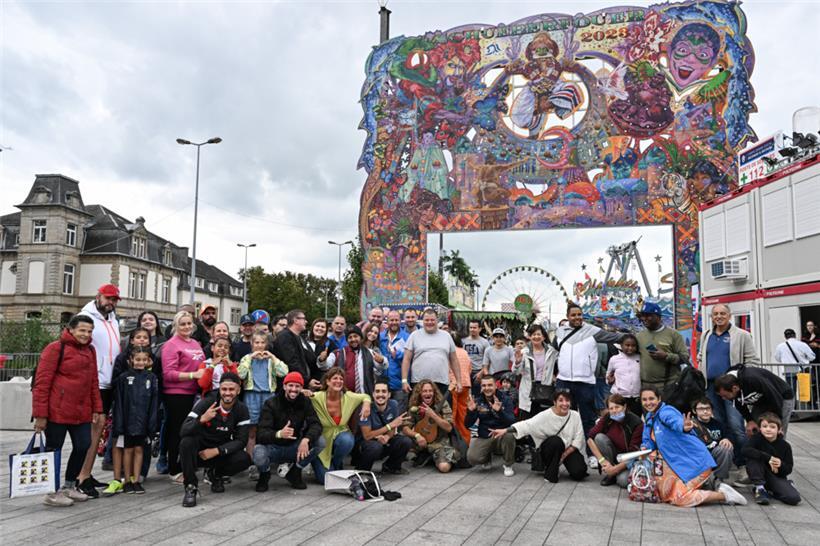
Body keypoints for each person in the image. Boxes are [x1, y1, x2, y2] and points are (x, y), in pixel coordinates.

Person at [32, 314, 102, 506]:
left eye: (89, 331)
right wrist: (40, 415)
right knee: (54, 450)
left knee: (83, 445)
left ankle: (69, 486)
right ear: (71, 329)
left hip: (81, 411)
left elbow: (93, 382)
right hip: (57, 410)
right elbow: (42, 382)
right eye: (82, 330)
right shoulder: (55, 348)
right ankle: (51, 492)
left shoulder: (90, 351)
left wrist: (97, 407)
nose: (86, 334)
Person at [639, 386, 747, 507]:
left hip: (694, 462)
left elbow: (675, 421)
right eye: (644, 400)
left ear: (659, 399)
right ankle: (712, 485)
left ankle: (724, 495)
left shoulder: (666, 412)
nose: (648, 403)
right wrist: (644, 447)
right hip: (677, 463)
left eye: (651, 398)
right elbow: (648, 441)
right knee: (665, 494)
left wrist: (683, 426)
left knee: (680, 498)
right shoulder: (649, 417)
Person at [552, 304, 622, 453]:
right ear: (567, 316)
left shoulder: (592, 331)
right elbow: (552, 353)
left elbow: (614, 337)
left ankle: (591, 453)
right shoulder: (559, 332)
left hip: (585, 382)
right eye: (573, 315)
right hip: (564, 380)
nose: (577, 317)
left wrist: (631, 337)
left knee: (588, 419)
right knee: (564, 418)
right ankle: (567, 451)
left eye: (579, 314)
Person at [698, 304, 758, 473]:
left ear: (729, 315)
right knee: (719, 424)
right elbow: (701, 357)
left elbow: (752, 361)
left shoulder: (742, 335)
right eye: (715, 314)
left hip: (732, 390)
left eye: (722, 313)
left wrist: (737, 379)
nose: (719, 316)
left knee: (736, 425)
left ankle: (746, 464)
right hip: (710, 387)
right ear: (711, 317)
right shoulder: (706, 335)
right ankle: (729, 458)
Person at [76, 283, 122, 497]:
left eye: (114, 300)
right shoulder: (87, 317)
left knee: (99, 430)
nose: (110, 303)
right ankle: (81, 476)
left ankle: (86, 473)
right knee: (94, 429)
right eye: (108, 298)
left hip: (109, 380)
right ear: (99, 296)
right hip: (95, 382)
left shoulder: (113, 318)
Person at [179, 373, 252, 507]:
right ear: (219, 389)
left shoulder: (242, 409)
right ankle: (190, 486)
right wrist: (201, 419)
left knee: (244, 459)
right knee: (186, 442)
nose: (227, 393)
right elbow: (183, 430)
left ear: (238, 390)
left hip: (219, 451)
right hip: (200, 451)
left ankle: (215, 474)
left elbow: (241, 441)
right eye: (224, 389)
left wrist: (217, 451)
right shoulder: (207, 402)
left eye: (231, 389)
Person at [492, 390, 587, 483]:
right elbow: (527, 424)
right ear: (554, 402)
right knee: (556, 441)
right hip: (550, 448)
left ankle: (562, 463)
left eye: (567, 400)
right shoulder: (546, 415)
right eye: (561, 400)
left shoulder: (575, 415)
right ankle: (551, 473)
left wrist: (563, 456)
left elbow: (579, 438)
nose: (565, 404)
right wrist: (505, 430)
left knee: (579, 472)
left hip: (568, 449)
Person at [253, 371, 324, 491]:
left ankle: (295, 472)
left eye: (297, 386)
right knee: (258, 452)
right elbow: (261, 434)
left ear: (302, 388)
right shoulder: (271, 403)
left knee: (320, 442)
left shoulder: (305, 402)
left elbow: (316, 424)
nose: (294, 389)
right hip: (273, 447)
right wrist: (279, 434)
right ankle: (264, 475)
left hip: (294, 447)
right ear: (284, 386)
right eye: (290, 385)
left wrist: (306, 440)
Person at [104, 346, 158, 495]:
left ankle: (136, 480)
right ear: (131, 360)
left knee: (139, 450)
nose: (141, 362)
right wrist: (119, 424)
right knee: (127, 450)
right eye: (137, 359)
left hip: (144, 422)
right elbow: (119, 403)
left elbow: (154, 402)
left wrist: (152, 424)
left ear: (148, 361)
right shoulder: (123, 378)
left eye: (144, 360)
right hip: (127, 422)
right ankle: (126, 480)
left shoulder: (151, 378)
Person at [161, 311, 206, 484]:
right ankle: (173, 469)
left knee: (191, 432)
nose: (187, 327)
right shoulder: (171, 345)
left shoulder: (194, 342)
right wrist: (193, 375)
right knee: (177, 432)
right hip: (176, 394)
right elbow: (168, 374)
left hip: (194, 394)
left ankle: (186, 464)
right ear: (176, 326)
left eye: (189, 324)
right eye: (183, 324)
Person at [238, 332, 288, 479]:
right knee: (252, 431)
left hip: (269, 396)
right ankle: (250, 463)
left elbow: (284, 372)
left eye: (262, 343)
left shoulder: (271, 360)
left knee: (269, 428)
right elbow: (240, 374)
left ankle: (269, 460)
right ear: (252, 344)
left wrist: (272, 357)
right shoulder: (247, 358)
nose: (259, 346)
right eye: (256, 343)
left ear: (266, 344)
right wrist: (249, 358)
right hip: (252, 395)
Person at [308, 367, 371, 484]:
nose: (338, 381)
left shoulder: (348, 396)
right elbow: (302, 396)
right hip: (321, 440)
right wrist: (304, 391)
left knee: (347, 441)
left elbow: (366, 396)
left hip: (340, 434)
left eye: (341, 379)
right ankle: (318, 461)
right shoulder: (317, 397)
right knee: (325, 480)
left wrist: (366, 405)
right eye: (335, 378)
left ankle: (337, 463)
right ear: (327, 381)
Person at [714, 365, 795, 436]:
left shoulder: (752, 379)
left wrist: (778, 422)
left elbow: (775, 397)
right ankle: (758, 451)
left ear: (735, 388)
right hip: (761, 400)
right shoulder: (728, 385)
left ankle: (779, 451)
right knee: (754, 429)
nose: (723, 398)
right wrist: (749, 420)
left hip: (781, 396)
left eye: (725, 396)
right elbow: (740, 404)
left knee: (776, 431)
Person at [401, 308, 463, 398]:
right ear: (422, 321)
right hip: (419, 383)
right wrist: (404, 380)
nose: (429, 322)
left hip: (441, 382)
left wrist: (459, 381)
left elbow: (454, 359)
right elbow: (406, 359)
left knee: (441, 411)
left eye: (432, 320)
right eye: (427, 320)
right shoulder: (414, 335)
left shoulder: (446, 336)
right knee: (418, 411)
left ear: (437, 320)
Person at [742, 412, 801, 506]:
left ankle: (774, 489)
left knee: (794, 498)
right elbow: (745, 450)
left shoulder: (785, 446)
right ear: (760, 428)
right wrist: (769, 458)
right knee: (753, 457)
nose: (768, 429)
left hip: (775, 476)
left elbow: (788, 468)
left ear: (779, 430)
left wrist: (780, 464)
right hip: (759, 472)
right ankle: (760, 488)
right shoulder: (756, 439)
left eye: (772, 427)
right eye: (765, 426)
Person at [355, 379, 412, 474]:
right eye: (377, 391)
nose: (380, 394)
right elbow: (367, 436)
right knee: (375, 447)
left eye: (384, 391)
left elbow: (393, 429)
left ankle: (391, 467)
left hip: (383, 441)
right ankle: (363, 471)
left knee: (405, 441)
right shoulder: (366, 408)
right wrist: (389, 426)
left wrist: (387, 436)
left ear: (389, 395)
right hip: (367, 444)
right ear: (373, 394)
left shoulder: (393, 404)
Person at [586, 394, 643, 487]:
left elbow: (634, 454)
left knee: (623, 481)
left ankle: (614, 472)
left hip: (628, 460)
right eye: (611, 408)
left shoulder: (636, 423)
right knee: (599, 438)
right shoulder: (607, 418)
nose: (614, 411)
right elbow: (590, 438)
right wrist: (602, 461)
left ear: (624, 407)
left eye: (617, 407)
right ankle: (610, 473)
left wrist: (615, 469)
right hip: (612, 456)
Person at [465, 376, 517, 476]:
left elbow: (512, 421)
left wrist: (500, 411)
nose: (487, 388)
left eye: (490, 385)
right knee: (472, 458)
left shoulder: (505, 399)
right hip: (485, 435)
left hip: (501, 434)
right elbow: (468, 425)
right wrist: (471, 411)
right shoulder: (478, 400)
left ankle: (508, 464)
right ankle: (486, 458)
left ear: (496, 386)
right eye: (484, 385)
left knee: (510, 435)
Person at [403, 381, 458, 473]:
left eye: (430, 391)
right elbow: (405, 428)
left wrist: (434, 415)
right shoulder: (415, 405)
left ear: (434, 392)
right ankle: (425, 454)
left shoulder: (443, 404)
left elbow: (449, 428)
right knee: (405, 454)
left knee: (444, 468)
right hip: (420, 442)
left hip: (439, 443)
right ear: (419, 393)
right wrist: (417, 435)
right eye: (424, 391)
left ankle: (435, 457)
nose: (428, 393)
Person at [635, 301, 689, 390]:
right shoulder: (639, 336)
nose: (644, 318)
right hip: (646, 387)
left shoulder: (674, 335)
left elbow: (685, 358)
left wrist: (666, 356)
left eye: (648, 315)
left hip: (668, 386)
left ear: (659, 317)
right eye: (642, 315)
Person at [323, 325, 387, 395]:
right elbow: (325, 365)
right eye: (350, 337)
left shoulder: (369, 352)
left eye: (355, 336)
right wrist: (322, 359)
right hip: (345, 397)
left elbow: (383, 367)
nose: (353, 339)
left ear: (361, 337)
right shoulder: (338, 353)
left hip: (365, 396)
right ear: (347, 340)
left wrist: (382, 360)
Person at [512, 323, 558, 418]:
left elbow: (559, 365)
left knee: (543, 420)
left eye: (538, 334)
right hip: (529, 390)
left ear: (543, 337)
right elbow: (515, 372)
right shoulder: (524, 352)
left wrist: (556, 376)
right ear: (529, 337)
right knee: (528, 419)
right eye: (533, 334)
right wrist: (517, 362)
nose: (536, 337)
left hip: (545, 389)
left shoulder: (551, 351)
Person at [273, 309, 321, 389]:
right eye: (304, 319)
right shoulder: (285, 337)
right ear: (296, 320)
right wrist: (307, 380)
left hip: (297, 382)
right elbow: (292, 362)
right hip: (289, 386)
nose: (306, 322)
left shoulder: (297, 337)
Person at [691, 397, 733, 482]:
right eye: (701, 409)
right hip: (699, 457)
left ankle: (719, 479)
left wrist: (727, 439)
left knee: (726, 448)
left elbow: (729, 434)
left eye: (708, 408)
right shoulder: (691, 425)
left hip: (714, 454)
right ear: (694, 411)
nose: (705, 411)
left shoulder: (718, 424)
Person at [606, 333, 642, 416]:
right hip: (619, 397)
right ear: (621, 345)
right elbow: (608, 375)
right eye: (627, 345)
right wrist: (609, 381)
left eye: (633, 346)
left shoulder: (639, 358)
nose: (630, 348)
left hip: (636, 397)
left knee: (635, 420)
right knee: (619, 419)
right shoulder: (614, 359)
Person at [380, 310, 410, 410]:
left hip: (399, 384)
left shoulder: (407, 337)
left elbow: (411, 358)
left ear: (400, 321)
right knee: (384, 414)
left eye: (396, 320)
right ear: (387, 321)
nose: (394, 322)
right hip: (383, 384)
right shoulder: (380, 337)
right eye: (391, 320)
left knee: (399, 415)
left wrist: (397, 355)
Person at [450, 333, 473, 445]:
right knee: (463, 415)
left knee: (452, 415)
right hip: (465, 384)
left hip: (453, 385)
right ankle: (466, 442)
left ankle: (453, 441)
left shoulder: (449, 352)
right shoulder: (464, 352)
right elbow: (470, 369)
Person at [462, 320, 489, 394]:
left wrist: (481, 372)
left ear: (480, 329)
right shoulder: (463, 341)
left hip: (478, 372)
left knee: (478, 395)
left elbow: (488, 360)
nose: (472, 330)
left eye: (474, 328)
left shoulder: (485, 342)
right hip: (466, 372)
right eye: (470, 327)